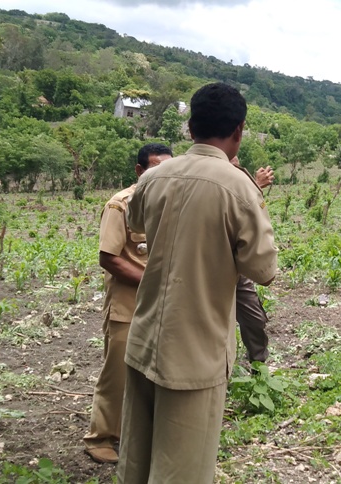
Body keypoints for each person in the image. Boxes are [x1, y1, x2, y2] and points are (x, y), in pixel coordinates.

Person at [118, 82, 278, 483]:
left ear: (189, 128)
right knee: (181, 470)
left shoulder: (155, 176)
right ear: (239, 131)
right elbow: (264, 270)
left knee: (136, 460)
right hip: (196, 352)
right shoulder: (239, 186)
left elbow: (135, 222)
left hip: (145, 338)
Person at [83, 143, 171, 464]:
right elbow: (109, 257)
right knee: (116, 375)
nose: (162, 175)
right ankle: (100, 438)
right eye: (155, 168)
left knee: (153, 375)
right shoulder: (120, 206)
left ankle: (137, 435)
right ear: (139, 171)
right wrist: (152, 282)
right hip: (126, 307)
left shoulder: (171, 206)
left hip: (161, 309)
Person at [230, 156, 275, 364]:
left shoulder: (240, 181)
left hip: (237, 269)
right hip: (212, 267)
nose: (235, 165)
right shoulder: (208, 183)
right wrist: (256, 187)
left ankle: (258, 366)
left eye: (237, 164)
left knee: (254, 319)